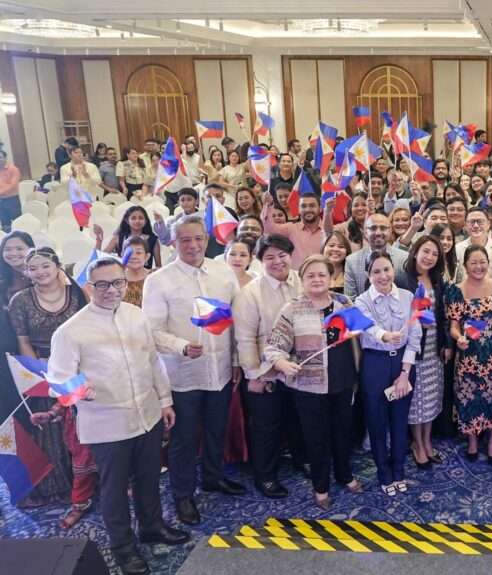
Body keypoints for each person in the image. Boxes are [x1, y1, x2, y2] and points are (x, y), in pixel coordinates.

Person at [47, 256, 188, 575]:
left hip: (147, 415)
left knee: (149, 477)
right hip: (106, 425)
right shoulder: (70, 331)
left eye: (118, 282)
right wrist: (80, 391)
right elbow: (57, 380)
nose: (111, 290)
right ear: (89, 286)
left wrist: (165, 401)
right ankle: (123, 547)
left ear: (126, 282)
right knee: (114, 489)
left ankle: (152, 527)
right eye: (102, 284)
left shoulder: (136, 315)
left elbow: (153, 361)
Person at [142, 215, 244, 526]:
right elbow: (152, 331)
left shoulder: (223, 272)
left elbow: (236, 320)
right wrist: (181, 346)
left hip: (220, 370)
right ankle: (183, 494)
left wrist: (236, 360)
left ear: (207, 239)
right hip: (182, 374)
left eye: (198, 238)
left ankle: (213, 477)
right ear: (174, 242)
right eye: (185, 239)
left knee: (216, 429)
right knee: (184, 439)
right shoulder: (159, 280)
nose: (193, 245)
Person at [266, 255, 363, 507]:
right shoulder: (292, 309)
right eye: (311, 275)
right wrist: (282, 362)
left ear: (331, 277)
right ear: (302, 279)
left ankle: (344, 474)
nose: (317, 279)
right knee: (316, 438)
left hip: (343, 381)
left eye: (322, 274)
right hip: (309, 387)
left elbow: (361, 331)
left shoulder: (344, 303)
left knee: (343, 432)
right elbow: (273, 347)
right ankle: (320, 486)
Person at [10, 248, 93, 525]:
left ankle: (98, 482)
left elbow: (89, 328)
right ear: (26, 272)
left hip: (80, 366)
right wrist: (41, 375)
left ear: (57, 266)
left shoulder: (77, 293)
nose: (40, 272)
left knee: (86, 428)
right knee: (55, 429)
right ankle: (63, 488)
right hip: (44, 370)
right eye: (33, 268)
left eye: (45, 266)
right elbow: (23, 342)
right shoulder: (20, 301)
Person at [232, 234, 304, 500]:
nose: (277, 261)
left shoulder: (301, 281)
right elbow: (244, 339)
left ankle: (301, 460)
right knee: (266, 425)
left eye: (282, 255)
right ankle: (265, 475)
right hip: (266, 370)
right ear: (259, 261)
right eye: (269, 257)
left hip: (299, 367)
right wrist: (255, 375)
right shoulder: (250, 294)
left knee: (298, 419)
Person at [353, 251, 421, 494]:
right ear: (368, 275)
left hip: (403, 363)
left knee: (400, 421)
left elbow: (414, 334)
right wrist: (384, 336)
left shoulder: (408, 296)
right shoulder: (361, 301)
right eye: (376, 271)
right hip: (375, 364)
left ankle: (399, 470)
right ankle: (384, 473)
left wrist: (405, 373)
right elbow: (368, 326)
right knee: (377, 421)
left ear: (393, 270)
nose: (383, 276)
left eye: (386, 269)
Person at [447, 245, 492, 463]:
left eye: (482, 262)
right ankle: (473, 440)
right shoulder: (456, 290)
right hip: (470, 356)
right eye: (473, 263)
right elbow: (454, 326)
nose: (478, 267)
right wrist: (459, 338)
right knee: (470, 399)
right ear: (465, 265)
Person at [398, 235, 448, 470]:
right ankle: (417, 443)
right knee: (416, 401)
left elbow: (443, 314)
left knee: (431, 398)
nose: (429, 257)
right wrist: (416, 322)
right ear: (415, 251)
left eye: (435, 254)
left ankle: (427, 440)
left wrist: (446, 344)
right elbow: (398, 315)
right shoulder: (403, 279)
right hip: (414, 349)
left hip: (434, 349)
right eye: (425, 251)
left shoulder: (437, 280)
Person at [261, 191, 335, 268]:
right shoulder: (291, 228)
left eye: (312, 206)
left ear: (320, 208)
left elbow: (329, 234)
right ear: (299, 210)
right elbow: (269, 230)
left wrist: (327, 213)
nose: (308, 209)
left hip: (322, 274)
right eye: (303, 206)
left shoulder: (328, 229)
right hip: (296, 274)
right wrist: (268, 205)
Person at [344, 213, 409, 297]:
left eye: (383, 228)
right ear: (365, 232)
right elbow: (350, 299)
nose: (378, 233)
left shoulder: (404, 258)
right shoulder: (351, 261)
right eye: (373, 228)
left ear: (390, 231)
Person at [121, 236, 151, 307]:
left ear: (147, 257)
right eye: (129, 253)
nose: (133, 257)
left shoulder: (155, 276)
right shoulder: (116, 280)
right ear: (123, 256)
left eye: (138, 253)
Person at [0, 148, 23, 232]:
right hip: (1, 201)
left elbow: (12, 186)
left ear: (5, 158)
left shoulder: (13, 169)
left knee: (17, 222)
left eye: (0, 157)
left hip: (12, 200)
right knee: (5, 224)